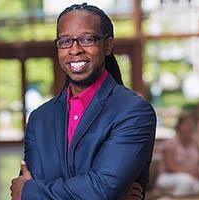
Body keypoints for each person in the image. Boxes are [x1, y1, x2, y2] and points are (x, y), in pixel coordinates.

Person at [10, 3, 156, 200]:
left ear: (107, 45)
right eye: (65, 41)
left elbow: (102, 189)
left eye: (87, 39)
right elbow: (99, 191)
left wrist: (30, 191)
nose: (75, 49)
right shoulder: (40, 119)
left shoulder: (133, 112)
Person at [156, 112, 199, 196]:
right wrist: (192, 173)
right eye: (187, 124)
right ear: (179, 126)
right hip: (171, 176)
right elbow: (171, 167)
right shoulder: (169, 143)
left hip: (194, 177)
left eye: (192, 124)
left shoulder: (196, 142)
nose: (190, 127)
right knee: (186, 181)